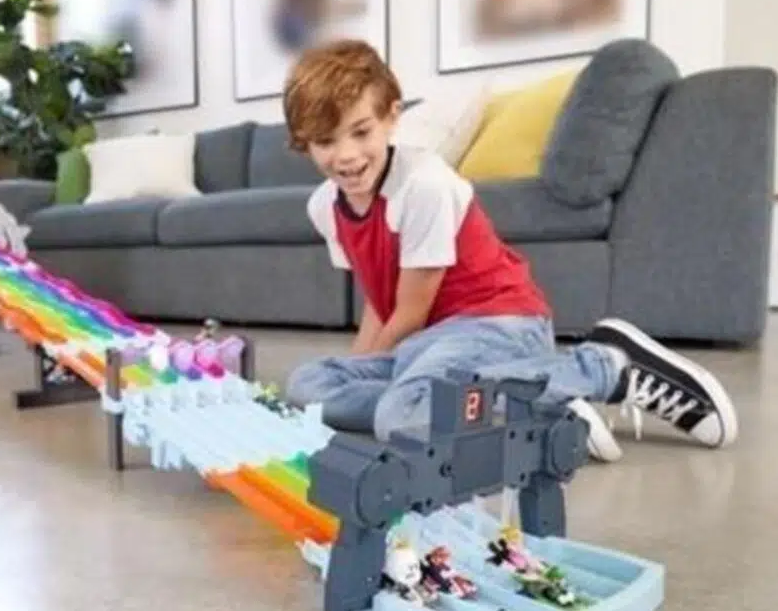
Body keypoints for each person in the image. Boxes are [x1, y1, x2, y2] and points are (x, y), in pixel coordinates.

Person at [283, 41, 737, 461]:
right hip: (427, 347)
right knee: (307, 386)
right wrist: (363, 368)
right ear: (305, 144)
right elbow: (378, 302)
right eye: (326, 141)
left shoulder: (423, 185)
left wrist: (379, 374)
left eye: (361, 132)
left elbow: (409, 313)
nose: (346, 155)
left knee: (399, 415)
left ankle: (601, 367)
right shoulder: (325, 206)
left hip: (495, 326)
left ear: (391, 117)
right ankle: (534, 399)